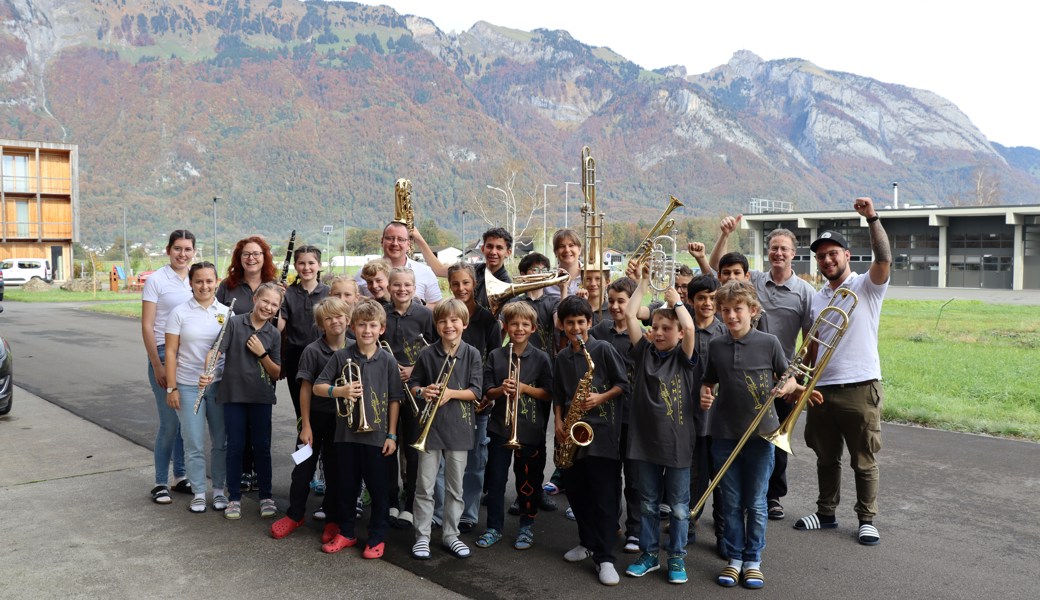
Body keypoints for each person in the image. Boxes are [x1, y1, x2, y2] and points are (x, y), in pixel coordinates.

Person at [699, 281, 816, 589]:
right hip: (724, 434)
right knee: (732, 500)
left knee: (756, 502)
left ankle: (753, 560)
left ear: (753, 311)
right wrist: (705, 393)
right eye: (725, 310)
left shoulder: (769, 342)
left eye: (738, 309)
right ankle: (734, 558)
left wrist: (790, 386)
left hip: (762, 435)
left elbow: (788, 378)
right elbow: (708, 381)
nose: (731, 316)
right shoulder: (716, 346)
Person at [794, 198, 891, 547]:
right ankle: (825, 513)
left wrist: (872, 218)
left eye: (833, 253)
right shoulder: (818, 297)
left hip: (861, 387)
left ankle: (866, 519)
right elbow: (814, 342)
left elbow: (883, 258)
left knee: (863, 458)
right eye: (821, 256)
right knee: (825, 457)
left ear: (847, 255)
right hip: (822, 388)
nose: (827, 260)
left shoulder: (867, 285)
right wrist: (800, 382)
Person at [709, 215, 814, 520]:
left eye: (784, 248)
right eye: (773, 248)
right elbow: (719, 268)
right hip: (748, 367)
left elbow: (809, 336)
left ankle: (773, 496)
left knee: (777, 438)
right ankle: (747, 492)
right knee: (746, 435)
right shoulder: (753, 279)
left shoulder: (803, 291)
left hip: (781, 373)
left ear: (794, 253)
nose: (778, 253)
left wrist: (798, 376)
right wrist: (725, 234)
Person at [622, 263, 698, 584]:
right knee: (649, 504)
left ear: (678, 333)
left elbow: (692, 329)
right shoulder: (644, 353)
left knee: (679, 508)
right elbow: (629, 315)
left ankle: (677, 557)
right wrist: (641, 282)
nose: (659, 333)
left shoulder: (684, 356)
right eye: (655, 327)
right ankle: (649, 553)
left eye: (668, 328)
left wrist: (676, 302)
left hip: (678, 443)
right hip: (644, 443)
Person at [313, 298, 403, 559]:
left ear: (381, 329)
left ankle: (377, 536)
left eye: (372, 325)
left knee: (378, 489)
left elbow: (395, 399)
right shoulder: (342, 356)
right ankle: (347, 532)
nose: (367, 331)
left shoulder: (387, 360)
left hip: (377, 437)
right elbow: (319, 386)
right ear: (352, 327)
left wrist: (392, 435)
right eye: (362, 325)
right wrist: (339, 391)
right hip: (346, 435)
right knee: (346, 486)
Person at [554, 295, 629, 586]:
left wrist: (600, 396)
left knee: (603, 499)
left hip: (602, 435)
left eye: (581, 322)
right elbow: (559, 395)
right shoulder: (561, 357)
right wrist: (560, 421)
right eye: (570, 323)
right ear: (562, 325)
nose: (575, 328)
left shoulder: (603, 348)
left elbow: (623, 384)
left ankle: (605, 557)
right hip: (572, 435)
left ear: (590, 323)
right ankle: (586, 542)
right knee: (577, 494)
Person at [270, 297, 352, 541]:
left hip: (341, 422)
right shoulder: (312, 350)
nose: (335, 322)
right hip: (314, 420)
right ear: (320, 324)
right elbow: (305, 389)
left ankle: (332, 518)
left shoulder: (356, 347)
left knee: (335, 471)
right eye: (328, 318)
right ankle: (295, 515)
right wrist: (305, 425)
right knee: (303, 469)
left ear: (348, 319)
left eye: (339, 316)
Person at [407, 299, 482, 561]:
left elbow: (476, 391)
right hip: (431, 429)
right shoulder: (428, 354)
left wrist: (451, 393)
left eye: (454, 320)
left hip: (459, 430)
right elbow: (414, 383)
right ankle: (423, 536)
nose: (448, 325)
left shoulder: (472, 353)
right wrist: (423, 391)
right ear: (436, 325)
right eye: (442, 321)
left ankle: (451, 535)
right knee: (425, 486)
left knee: (455, 488)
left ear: (464, 323)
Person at [477, 302, 553, 550]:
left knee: (527, 481)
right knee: (497, 481)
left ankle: (526, 526)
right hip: (500, 428)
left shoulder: (541, 358)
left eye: (524, 324)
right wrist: (502, 389)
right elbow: (487, 391)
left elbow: (549, 393)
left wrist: (524, 388)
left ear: (533, 328)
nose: (519, 329)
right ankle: (494, 528)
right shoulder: (496, 355)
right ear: (506, 327)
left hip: (530, 429)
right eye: (514, 324)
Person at [164, 261, 231, 513]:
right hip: (188, 385)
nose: (204, 286)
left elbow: (229, 353)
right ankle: (199, 492)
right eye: (199, 281)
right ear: (191, 283)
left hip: (219, 386)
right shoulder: (179, 312)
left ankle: (219, 491)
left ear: (217, 282)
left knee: (221, 442)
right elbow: (170, 352)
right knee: (192, 442)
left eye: (209, 281)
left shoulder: (227, 313)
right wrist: (172, 388)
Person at [215, 282, 284, 520]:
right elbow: (217, 352)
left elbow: (276, 372)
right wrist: (206, 371)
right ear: (255, 298)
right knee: (235, 446)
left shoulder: (273, 333)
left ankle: (266, 495)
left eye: (274, 305)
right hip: (234, 395)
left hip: (261, 397)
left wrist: (262, 353)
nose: (269, 307)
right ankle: (234, 497)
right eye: (265, 301)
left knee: (262, 447)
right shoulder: (234, 323)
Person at [217, 236, 278, 496]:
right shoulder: (227, 286)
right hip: (236, 369)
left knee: (260, 434)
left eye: (256, 254)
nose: (251, 258)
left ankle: (258, 477)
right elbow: (218, 320)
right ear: (239, 258)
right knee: (237, 435)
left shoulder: (274, 287)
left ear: (264, 257)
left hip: (263, 363)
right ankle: (242, 474)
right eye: (245, 254)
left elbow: (280, 324)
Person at [446, 262, 502, 532]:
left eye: (466, 283)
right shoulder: (444, 315)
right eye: (455, 283)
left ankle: (468, 513)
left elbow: (494, 359)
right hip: (449, 399)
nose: (461, 288)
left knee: (476, 460)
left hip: (478, 399)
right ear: (449, 285)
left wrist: (488, 394)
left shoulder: (489, 320)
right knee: (448, 460)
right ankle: (445, 511)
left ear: (474, 285)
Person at [588, 276, 642, 554]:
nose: (615, 306)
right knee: (609, 476)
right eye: (611, 301)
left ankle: (635, 528)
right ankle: (611, 525)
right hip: (605, 415)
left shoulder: (641, 333)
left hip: (632, 416)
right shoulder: (599, 330)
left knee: (634, 478)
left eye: (622, 301)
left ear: (632, 303)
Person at [142, 229, 195, 504]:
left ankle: (180, 476)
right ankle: (160, 481)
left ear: (194, 252)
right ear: (168, 250)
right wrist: (157, 364)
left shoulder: (195, 278)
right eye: (177, 248)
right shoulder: (156, 280)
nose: (182, 254)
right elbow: (147, 326)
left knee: (184, 420)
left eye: (187, 249)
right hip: (164, 353)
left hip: (190, 354)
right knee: (168, 422)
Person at [382, 266, 436, 529]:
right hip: (386, 392)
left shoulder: (425, 315)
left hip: (416, 391)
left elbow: (436, 350)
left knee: (413, 450)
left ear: (415, 288)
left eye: (407, 285)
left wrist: (414, 369)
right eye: (396, 285)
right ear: (389, 287)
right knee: (387, 448)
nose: (401, 289)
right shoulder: (381, 313)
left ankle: (410, 502)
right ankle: (391, 500)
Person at [685, 274, 727, 555]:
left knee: (722, 478)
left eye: (712, 298)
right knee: (691, 475)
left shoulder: (725, 332)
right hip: (689, 416)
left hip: (721, 419)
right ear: (691, 300)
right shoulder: (683, 330)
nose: (707, 303)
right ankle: (687, 522)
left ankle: (723, 532)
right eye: (701, 298)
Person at [280, 245, 331, 427]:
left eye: (311, 263)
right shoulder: (288, 293)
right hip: (296, 357)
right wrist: (277, 301)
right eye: (301, 263)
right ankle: (305, 446)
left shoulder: (329, 292)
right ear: (295, 266)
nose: (306, 267)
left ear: (319, 265)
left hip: (325, 355)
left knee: (324, 406)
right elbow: (279, 327)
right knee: (301, 409)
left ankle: (323, 451)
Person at [412, 226, 513, 310]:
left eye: (499, 248)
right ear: (482, 248)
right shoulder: (470, 269)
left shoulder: (507, 286)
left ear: (508, 252)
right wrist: (418, 238)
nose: (493, 252)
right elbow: (438, 269)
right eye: (490, 246)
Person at [355, 222, 442, 306]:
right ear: (382, 241)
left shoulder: (425, 272)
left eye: (401, 239)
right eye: (390, 238)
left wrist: (416, 306)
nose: (395, 243)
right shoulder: (363, 273)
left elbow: (437, 306)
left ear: (408, 244)